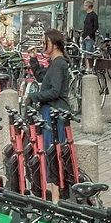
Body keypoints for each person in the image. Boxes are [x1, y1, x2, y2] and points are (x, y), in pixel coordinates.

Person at [26, 29, 71, 202]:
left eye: (45, 41)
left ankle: (56, 197)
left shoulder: (59, 64)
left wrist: (33, 96)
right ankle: (53, 195)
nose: (43, 44)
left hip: (55, 112)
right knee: (48, 151)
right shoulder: (55, 63)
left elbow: (54, 91)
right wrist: (33, 60)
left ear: (53, 43)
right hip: (50, 111)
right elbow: (43, 78)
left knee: (52, 152)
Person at [82, 0, 98, 70]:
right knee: (84, 53)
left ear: (88, 6)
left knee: (89, 53)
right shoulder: (87, 15)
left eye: (85, 5)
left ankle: (89, 68)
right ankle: (86, 67)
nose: (84, 7)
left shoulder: (93, 15)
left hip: (89, 38)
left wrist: (90, 35)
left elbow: (96, 26)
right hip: (84, 37)